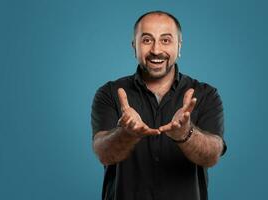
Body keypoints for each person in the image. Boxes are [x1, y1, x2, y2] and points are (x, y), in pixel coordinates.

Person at [91, 10, 227, 200]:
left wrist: (185, 134)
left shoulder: (205, 94)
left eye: (165, 40)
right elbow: (103, 153)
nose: (156, 50)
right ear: (134, 46)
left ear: (179, 47)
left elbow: (212, 156)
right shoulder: (109, 93)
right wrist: (126, 134)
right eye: (147, 40)